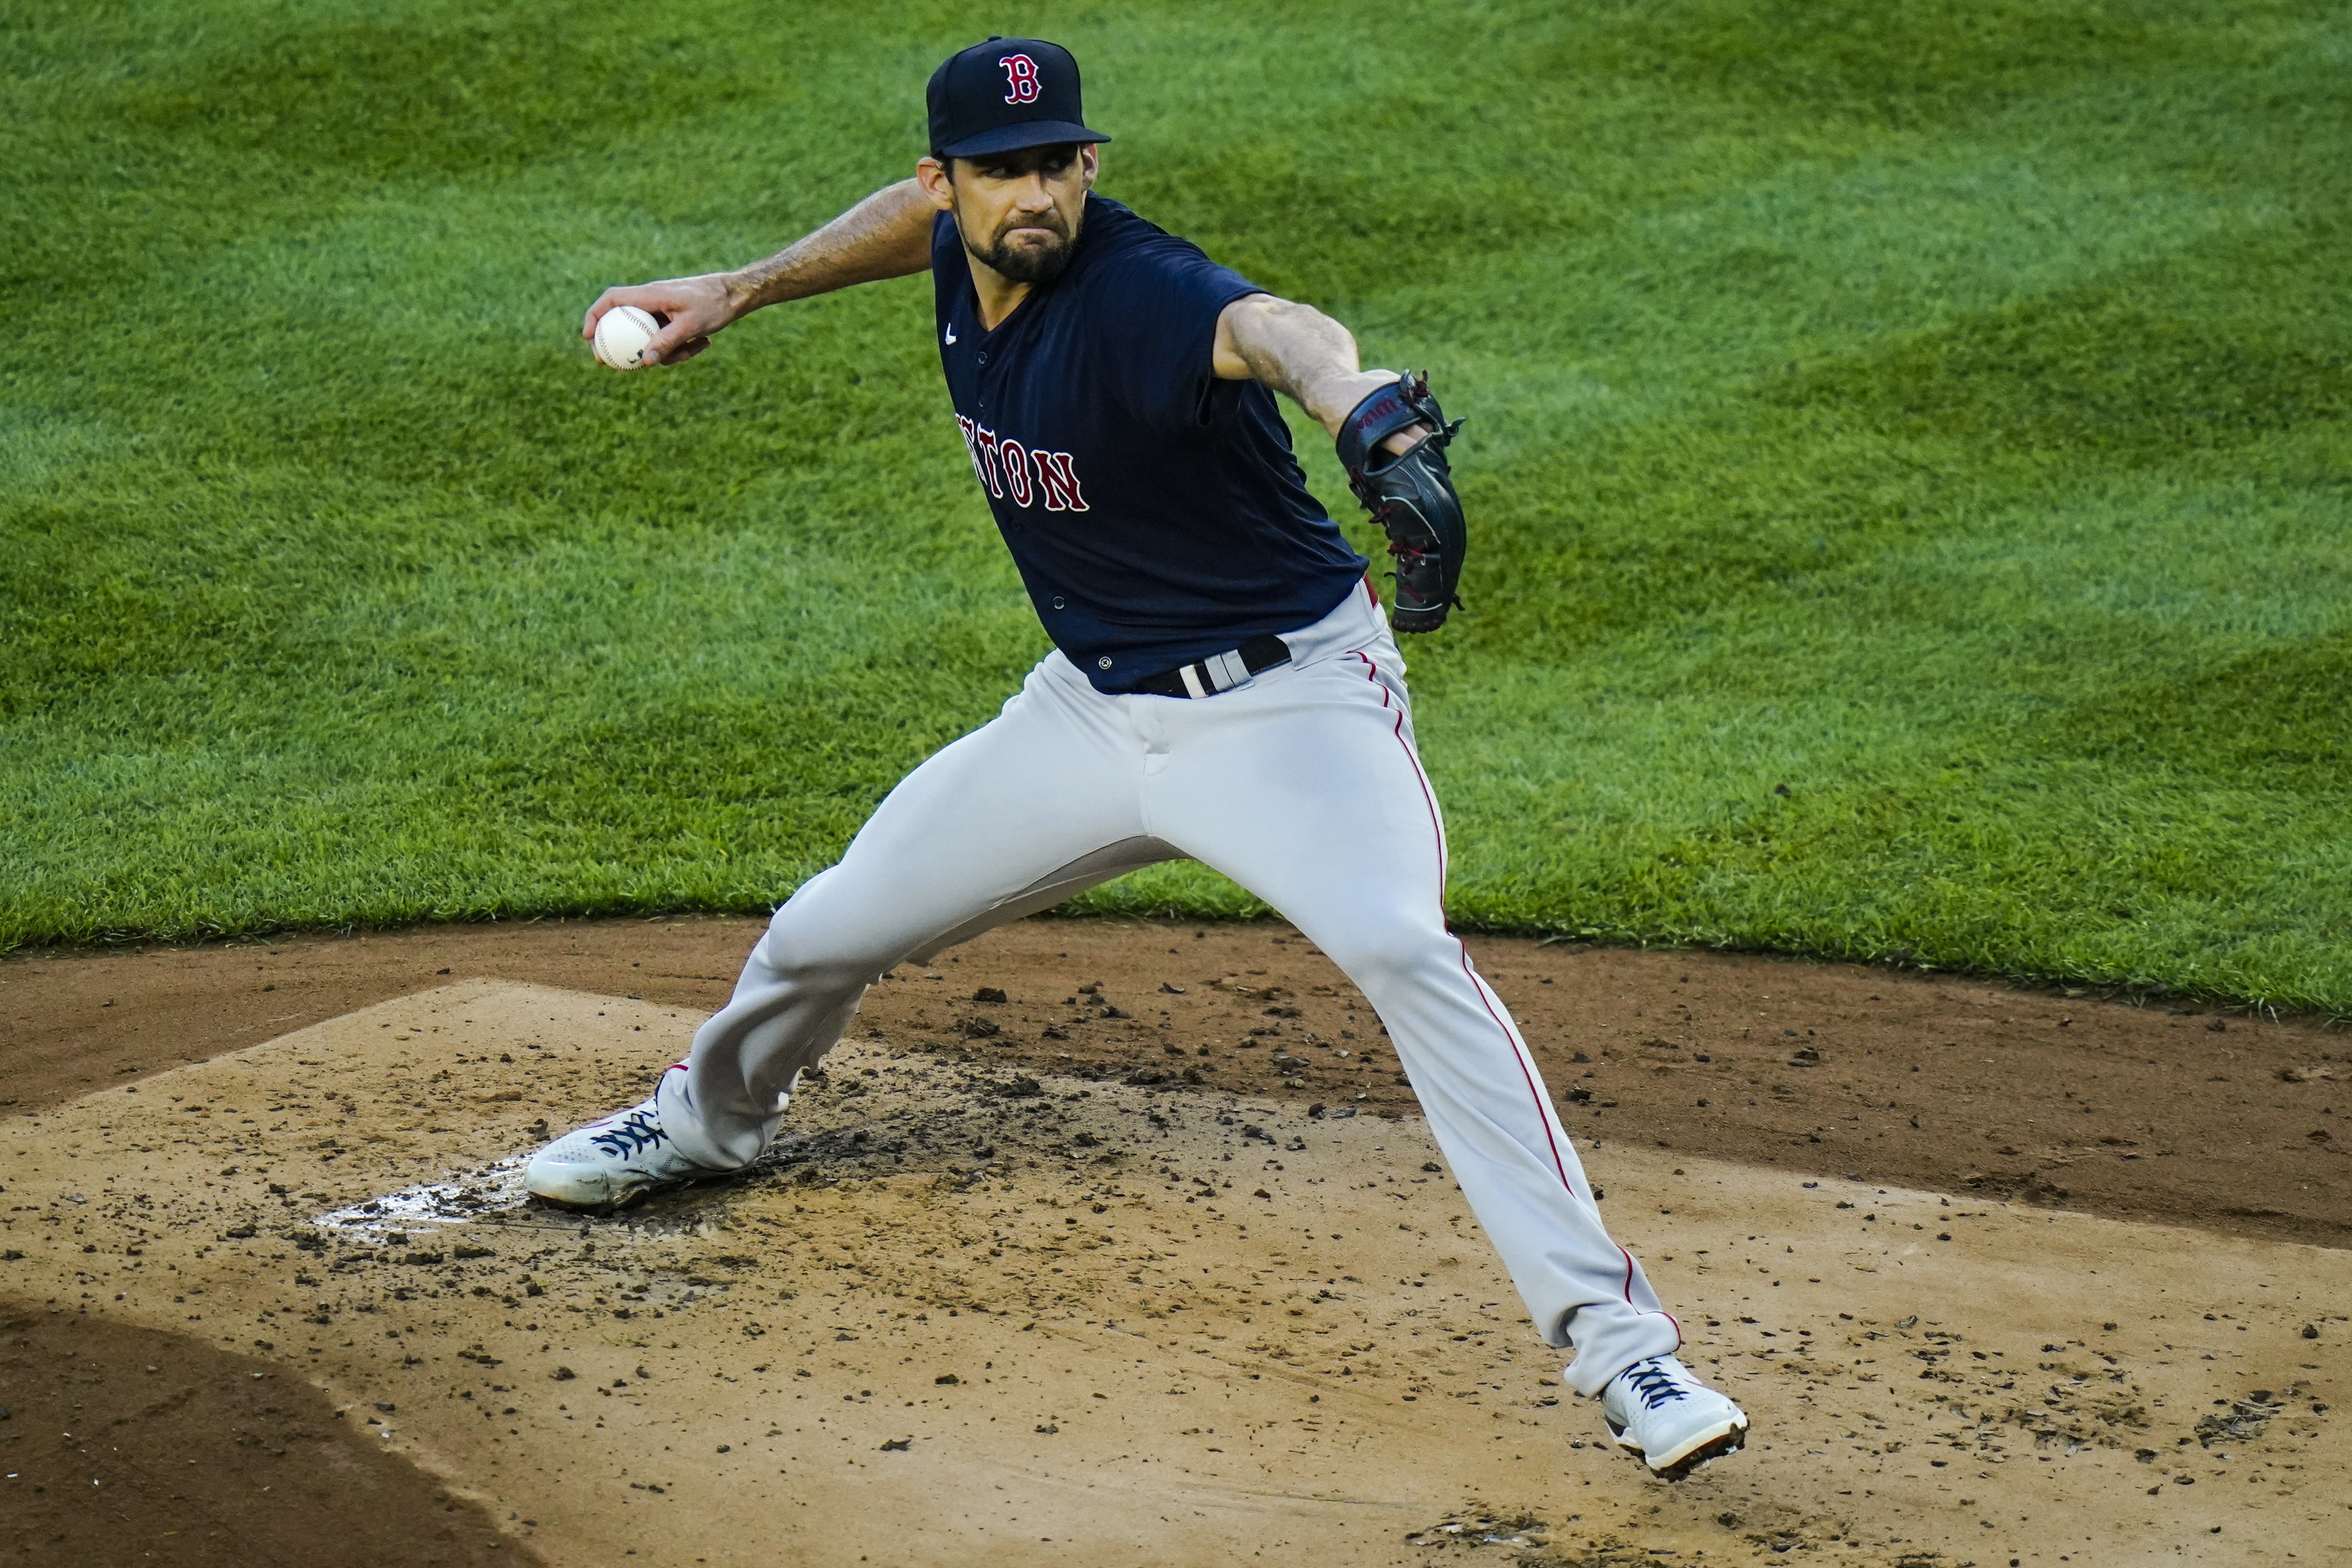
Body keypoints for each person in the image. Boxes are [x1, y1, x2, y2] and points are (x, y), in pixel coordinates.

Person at [531, 36, 1749, 1477]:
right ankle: (703, 1124)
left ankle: (1627, 1354)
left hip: (1289, 710)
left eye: (1056, 165)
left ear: (1089, 165)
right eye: (998, 172)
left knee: (1402, 950)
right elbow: (901, 221)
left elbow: (1276, 328)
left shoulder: (1143, 291)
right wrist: (731, 291)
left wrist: (1356, 409)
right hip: (1086, 714)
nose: (1032, 195)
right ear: (949, 183)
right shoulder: (950, 238)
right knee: (825, 925)